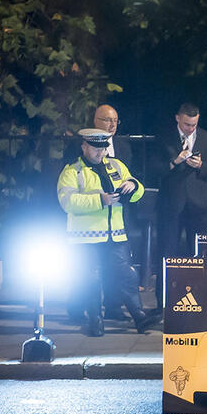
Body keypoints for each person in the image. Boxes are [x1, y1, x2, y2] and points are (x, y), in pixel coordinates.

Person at [57, 129, 158, 337]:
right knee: (92, 279)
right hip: (86, 237)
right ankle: (95, 321)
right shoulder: (72, 171)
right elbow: (67, 202)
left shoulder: (116, 165)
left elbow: (138, 191)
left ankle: (140, 317)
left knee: (127, 275)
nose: (100, 152)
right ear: (84, 147)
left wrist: (133, 185)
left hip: (115, 235)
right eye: (95, 148)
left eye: (103, 148)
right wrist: (100, 201)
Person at [62, 104, 133, 321]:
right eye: (107, 120)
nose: (112, 125)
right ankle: (78, 309)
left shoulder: (123, 146)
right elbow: (68, 185)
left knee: (115, 269)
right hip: (87, 224)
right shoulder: (77, 148)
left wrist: (131, 185)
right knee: (86, 272)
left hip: (115, 220)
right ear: (96, 120)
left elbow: (130, 176)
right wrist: (98, 200)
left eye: (115, 121)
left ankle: (113, 307)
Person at [155, 103, 207, 305]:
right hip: (171, 205)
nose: (190, 128)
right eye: (186, 124)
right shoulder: (164, 137)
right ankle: (163, 302)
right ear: (178, 118)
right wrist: (174, 162)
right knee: (167, 252)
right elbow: (154, 170)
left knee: (200, 255)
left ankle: (201, 301)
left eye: (194, 125)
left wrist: (201, 165)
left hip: (198, 206)